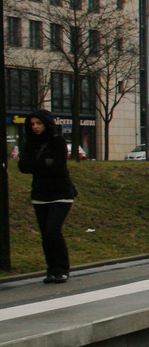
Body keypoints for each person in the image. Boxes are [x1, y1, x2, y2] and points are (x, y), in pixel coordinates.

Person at [16, 109, 77, 283]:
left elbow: (58, 165)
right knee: (45, 234)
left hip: (61, 193)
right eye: (32, 124)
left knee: (53, 230)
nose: (35, 127)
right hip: (40, 194)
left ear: (47, 123)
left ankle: (62, 268)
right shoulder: (30, 144)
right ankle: (51, 269)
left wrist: (37, 164)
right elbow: (22, 166)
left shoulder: (58, 141)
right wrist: (44, 163)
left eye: (39, 123)